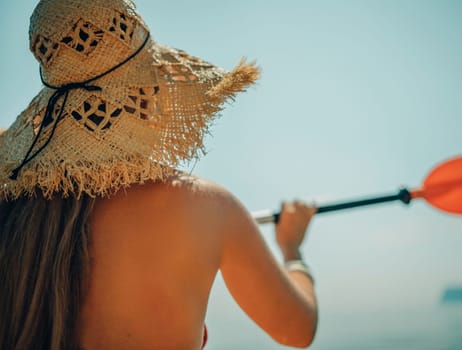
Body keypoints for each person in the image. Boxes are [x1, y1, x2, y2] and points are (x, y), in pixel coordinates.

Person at [0, 0, 319, 349]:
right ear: (149, 96)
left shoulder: (13, 209)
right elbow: (297, 329)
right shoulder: (205, 207)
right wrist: (292, 250)